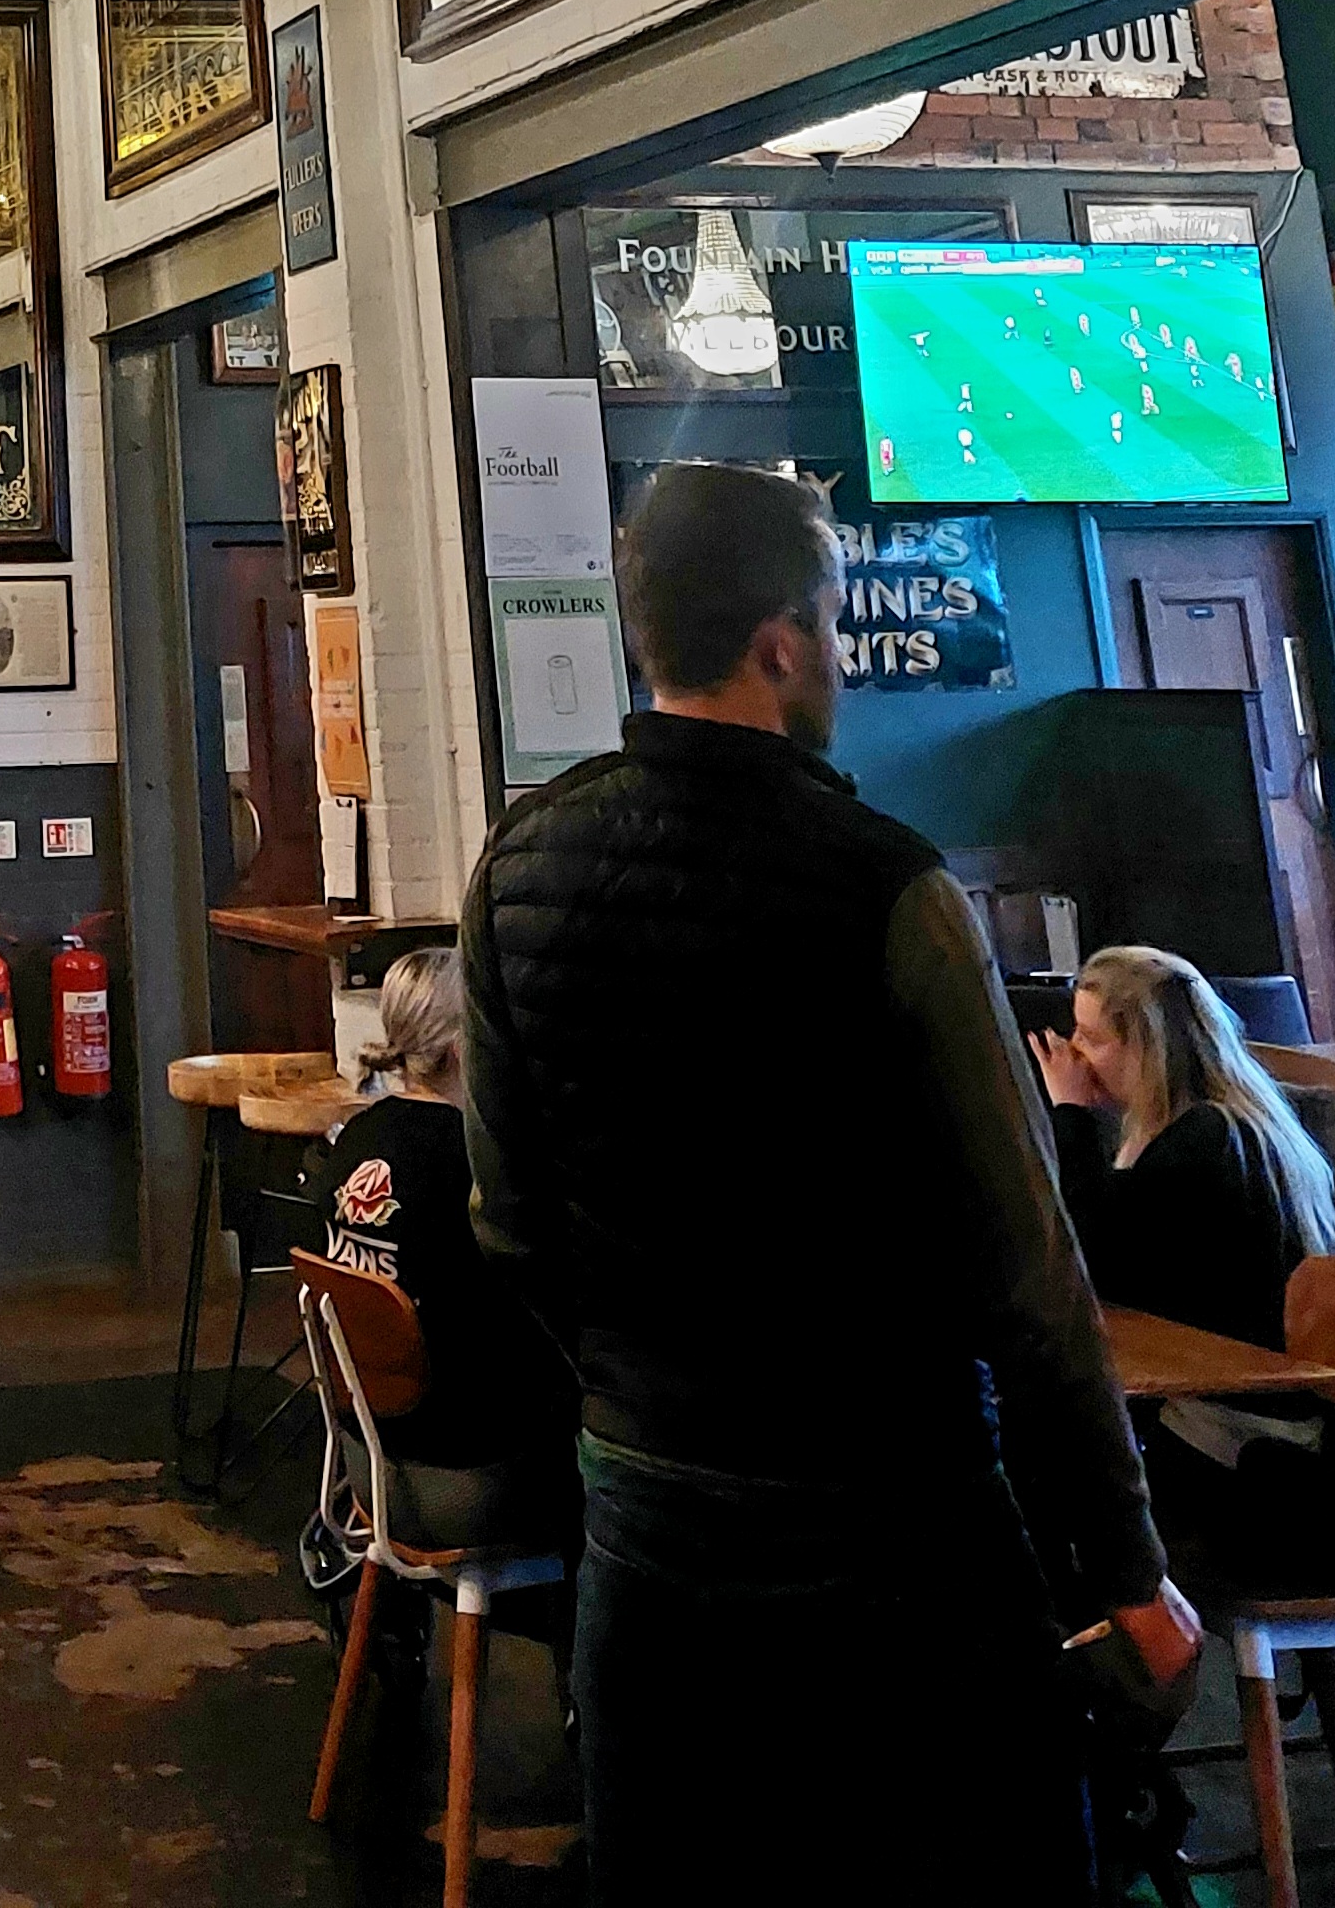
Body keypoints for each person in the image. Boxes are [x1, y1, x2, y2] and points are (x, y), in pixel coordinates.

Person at [461, 460, 1196, 1908]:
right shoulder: (892, 888)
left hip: (647, 1520)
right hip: (895, 1525)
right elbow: (1029, 1273)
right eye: (833, 625)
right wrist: (1125, 1565)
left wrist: (637, 1388)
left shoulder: (515, 867)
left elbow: (510, 1219)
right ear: (781, 644)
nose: (842, 660)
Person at [316, 948, 573, 1499]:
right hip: (467, 1464)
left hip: (366, 1454)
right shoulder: (473, 1163)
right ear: (465, 1048)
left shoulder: (351, 1141)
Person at [1030, 946, 1335, 1348]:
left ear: (1149, 1051)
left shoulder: (1207, 1139)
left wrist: (1070, 1112)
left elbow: (1095, 1260)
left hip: (1243, 1378)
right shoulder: (1229, 1121)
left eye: (1092, 1038)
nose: (1073, 1050)